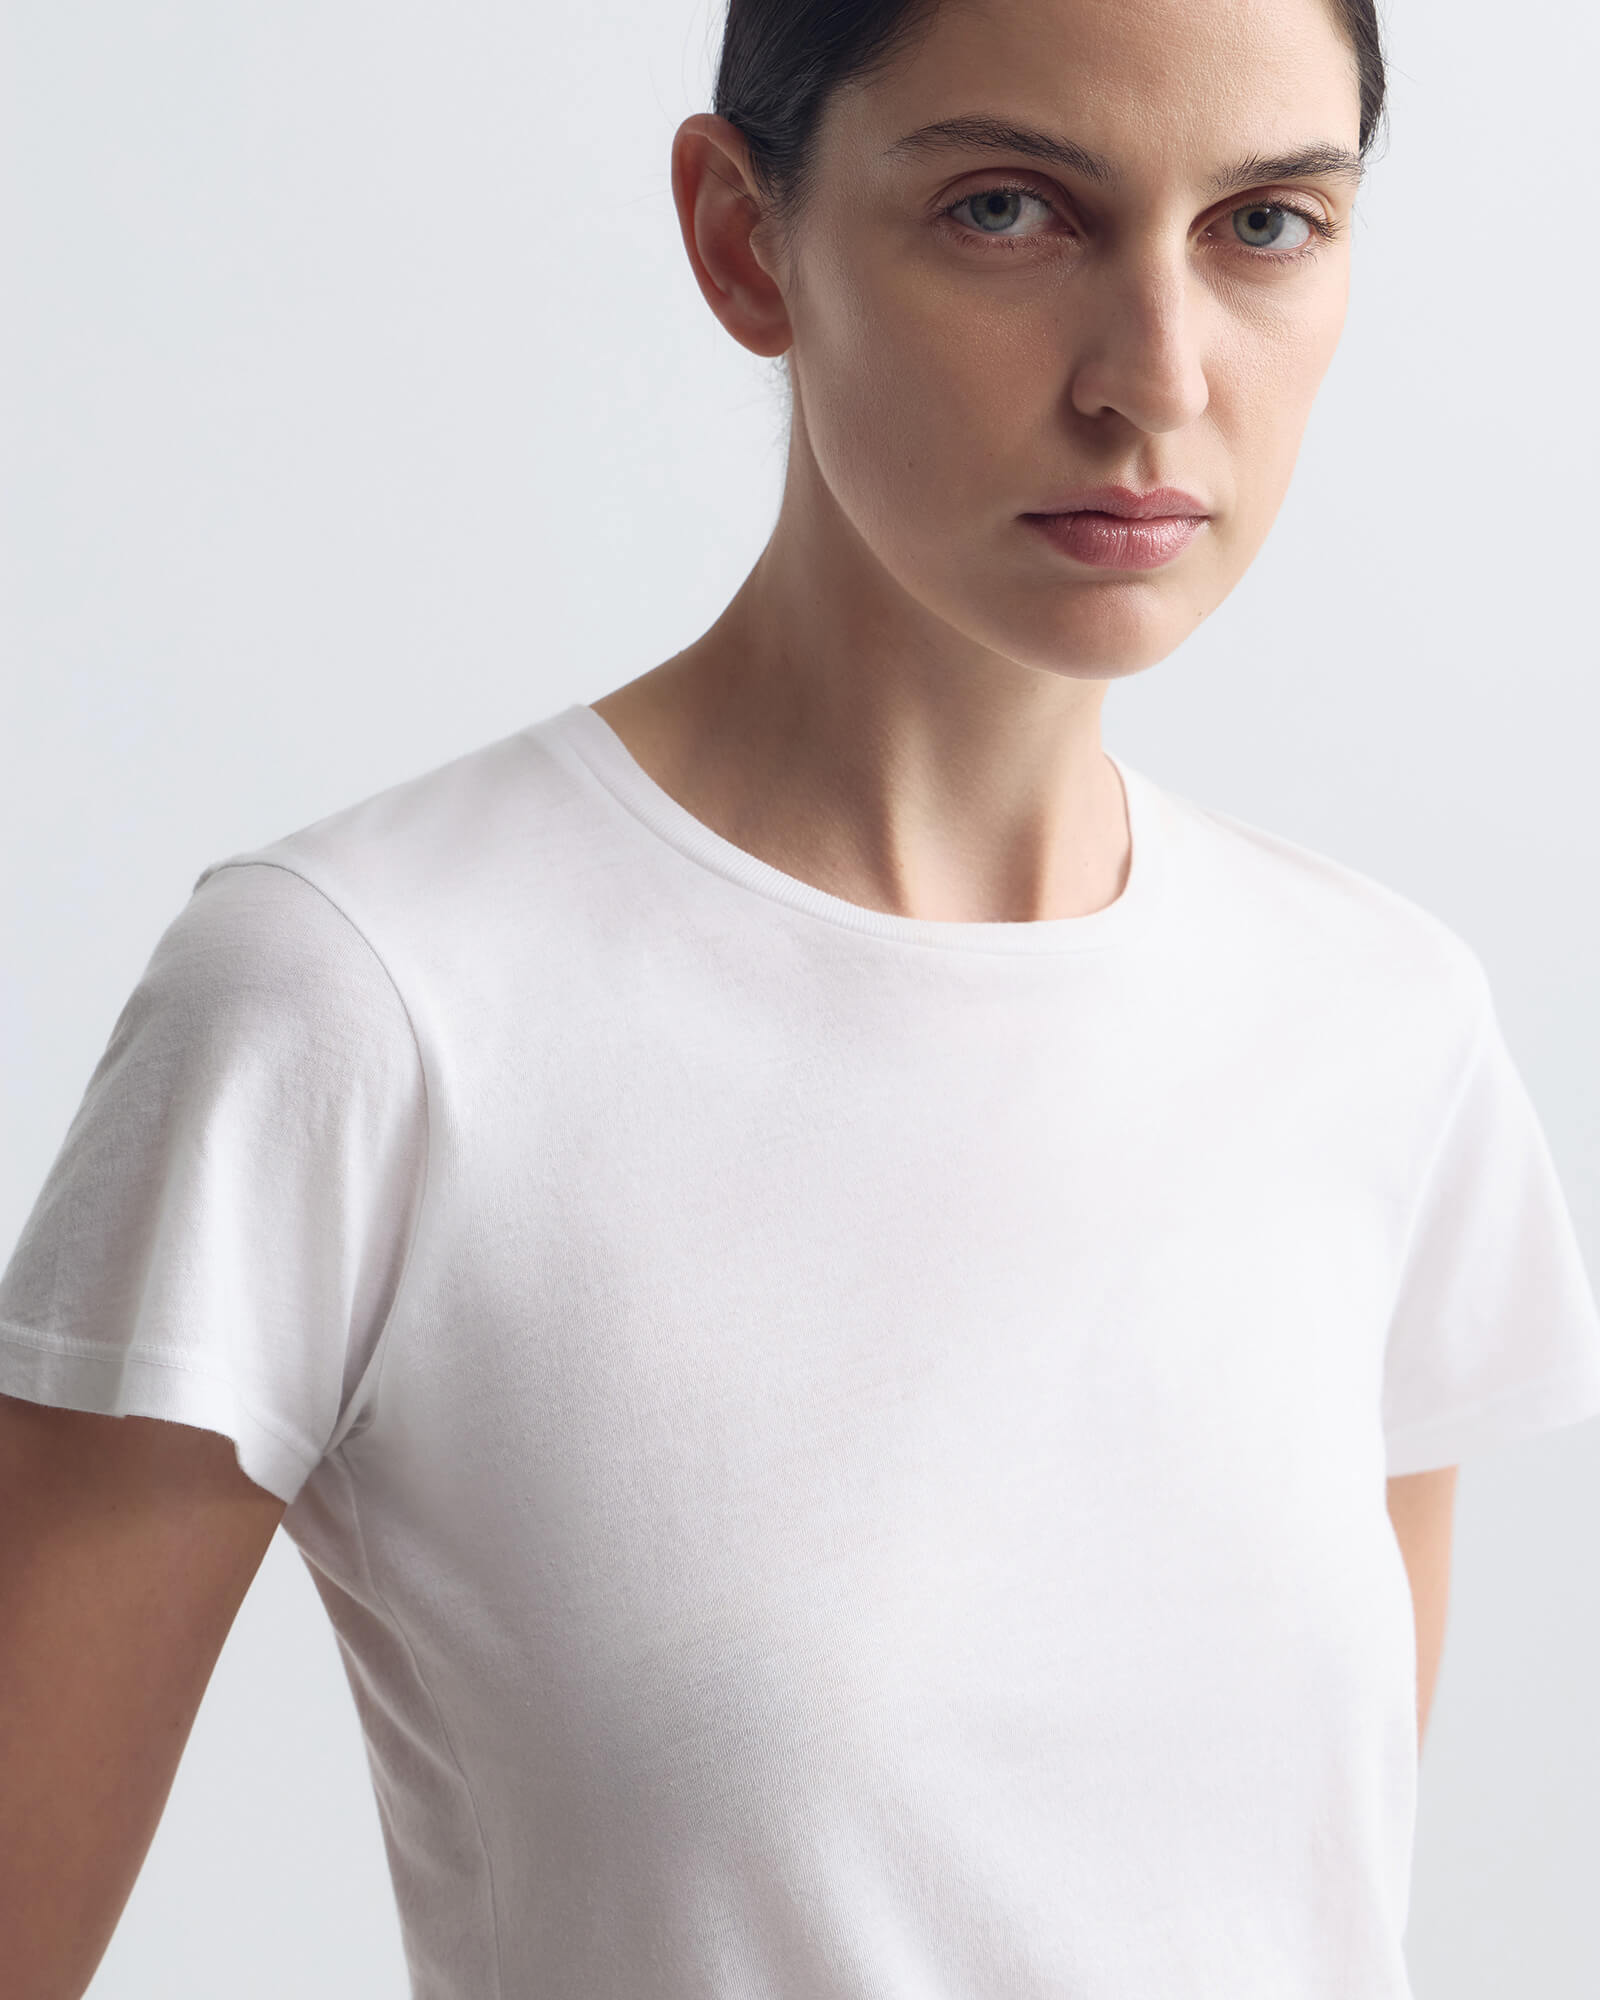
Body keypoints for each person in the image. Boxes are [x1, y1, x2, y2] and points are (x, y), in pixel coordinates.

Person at [4, 0, 1599, 1993]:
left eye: (1262, 224)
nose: (1156, 378)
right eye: (1009, 208)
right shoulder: (371, 998)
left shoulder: (1376, 1026)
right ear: (743, 239)